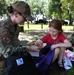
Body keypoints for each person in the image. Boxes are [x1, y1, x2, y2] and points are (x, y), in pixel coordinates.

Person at [0, 1, 38, 74]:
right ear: (16, 14)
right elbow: (7, 52)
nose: (26, 21)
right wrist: (28, 49)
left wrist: (32, 45)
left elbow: (15, 44)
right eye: (24, 18)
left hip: (9, 61)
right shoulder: (3, 27)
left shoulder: (16, 26)